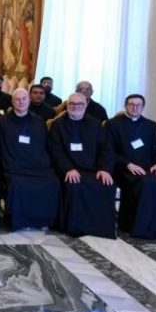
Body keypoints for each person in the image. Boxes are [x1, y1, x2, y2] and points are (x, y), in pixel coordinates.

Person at [105, 94, 156, 241]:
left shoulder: (150, 125)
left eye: (138, 105)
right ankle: (135, 225)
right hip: (123, 168)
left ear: (143, 107)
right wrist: (127, 164)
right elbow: (108, 151)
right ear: (125, 106)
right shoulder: (112, 124)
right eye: (131, 104)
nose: (135, 107)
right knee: (145, 183)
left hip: (147, 169)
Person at [48, 93, 116, 238]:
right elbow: (55, 151)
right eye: (72, 104)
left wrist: (104, 169)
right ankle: (76, 227)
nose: (75, 107)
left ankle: (99, 227)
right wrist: (68, 169)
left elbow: (106, 149)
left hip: (93, 169)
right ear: (67, 106)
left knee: (106, 184)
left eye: (79, 104)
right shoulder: (58, 125)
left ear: (85, 105)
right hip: (67, 168)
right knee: (74, 184)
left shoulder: (96, 124)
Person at [0, 88, 60, 230]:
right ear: (12, 102)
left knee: (52, 181)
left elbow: (44, 145)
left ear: (29, 101)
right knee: (18, 183)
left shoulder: (38, 121)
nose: (21, 102)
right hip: (13, 165)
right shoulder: (2, 122)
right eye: (17, 99)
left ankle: (43, 220)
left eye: (24, 99)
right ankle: (20, 220)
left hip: (36, 164)